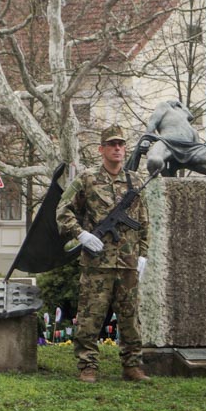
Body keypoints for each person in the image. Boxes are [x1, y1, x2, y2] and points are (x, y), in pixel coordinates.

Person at [56, 125, 151, 383]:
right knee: (90, 317)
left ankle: (132, 366)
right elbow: (63, 210)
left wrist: (143, 255)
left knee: (131, 317)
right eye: (112, 144)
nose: (117, 148)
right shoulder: (87, 179)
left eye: (120, 144)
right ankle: (87, 366)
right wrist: (80, 234)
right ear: (101, 149)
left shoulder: (135, 181)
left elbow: (143, 221)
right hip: (97, 263)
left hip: (128, 262)